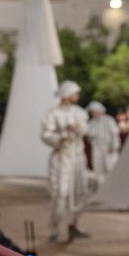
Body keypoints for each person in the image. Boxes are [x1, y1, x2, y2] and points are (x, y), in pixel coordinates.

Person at [41, 81, 89, 243]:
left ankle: (73, 224)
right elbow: (46, 135)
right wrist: (61, 136)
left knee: (80, 192)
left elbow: (85, 130)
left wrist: (77, 128)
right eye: (75, 93)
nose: (77, 96)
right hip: (62, 157)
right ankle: (55, 227)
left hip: (78, 158)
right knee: (60, 194)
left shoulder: (80, 112)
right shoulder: (52, 114)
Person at [85, 101, 120, 191]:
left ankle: (113, 189)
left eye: (94, 111)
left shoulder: (109, 120)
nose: (93, 113)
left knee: (111, 168)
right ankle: (101, 189)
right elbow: (89, 135)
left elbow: (114, 134)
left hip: (109, 149)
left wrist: (114, 146)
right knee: (98, 169)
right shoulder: (92, 122)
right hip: (97, 148)